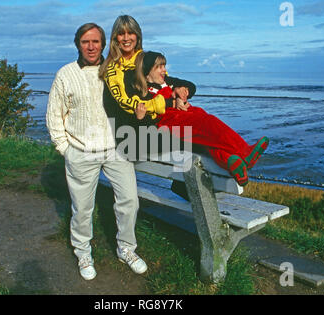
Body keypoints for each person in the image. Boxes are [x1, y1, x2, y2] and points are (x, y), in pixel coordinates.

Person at [46, 23, 147, 281]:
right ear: (78, 44)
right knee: (82, 208)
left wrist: (181, 91)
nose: (91, 47)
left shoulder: (114, 70)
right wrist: (65, 149)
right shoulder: (65, 74)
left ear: (104, 44)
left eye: (96, 41)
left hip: (116, 149)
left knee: (129, 202)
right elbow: (54, 116)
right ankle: (82, 252)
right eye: (85, 42)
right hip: (81, 151)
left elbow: (155, 77)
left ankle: (126, 249)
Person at [121, 50, 269, 186]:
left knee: (207, 141)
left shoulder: (167, 82)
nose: (164, 70)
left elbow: (190, 85)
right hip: (171, 123)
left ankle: (230, 162)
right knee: (208, 123)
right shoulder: (145, 92)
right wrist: (150, 112)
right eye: (159, 67)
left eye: (164, 66)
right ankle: (244, 152)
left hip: (186, 115)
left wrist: (180, 90)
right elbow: (148, 117)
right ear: (147, 73)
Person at [99, 15, 192, 162]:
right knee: (189, 138)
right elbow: (129, 105)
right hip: (129, 134)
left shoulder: (146, 61)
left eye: (130, 33)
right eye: (121, 33)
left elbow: (166, 82)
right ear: (115, 38)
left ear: (138, 35)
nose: (126, 38)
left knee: (195, 127)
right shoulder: (113, 70)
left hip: (150, 126)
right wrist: (169, 103)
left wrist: (181, 90)